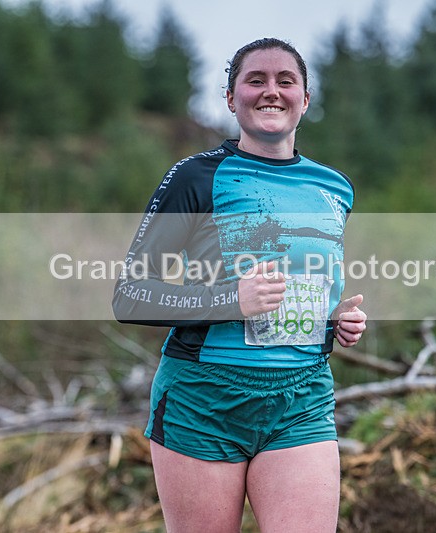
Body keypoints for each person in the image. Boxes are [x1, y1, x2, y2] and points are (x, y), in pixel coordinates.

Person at [112, 37, 366, 533]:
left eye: (285, 81)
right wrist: (232, 300)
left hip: (302, 398)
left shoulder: (334, 187)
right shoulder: (196, 177)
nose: (271, 91)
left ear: (305, 99)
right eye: (255, 80)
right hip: (203, 401)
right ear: (231, 98)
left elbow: (306, 294)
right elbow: (130, 294)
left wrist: (336, 323)